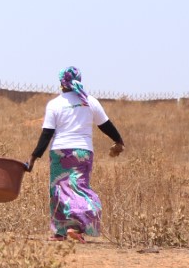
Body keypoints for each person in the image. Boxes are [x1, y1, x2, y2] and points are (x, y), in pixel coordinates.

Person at [26, 66, 125, 242]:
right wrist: (119, 141)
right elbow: (105, 125)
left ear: (61, 83)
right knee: (79, 187)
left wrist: (33, 157)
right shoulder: (89, 101)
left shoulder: (55, 104)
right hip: (82, 152)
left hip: (60, 152)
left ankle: (60, 232)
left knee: (58, 190)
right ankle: (78, 224)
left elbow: (47, 134)